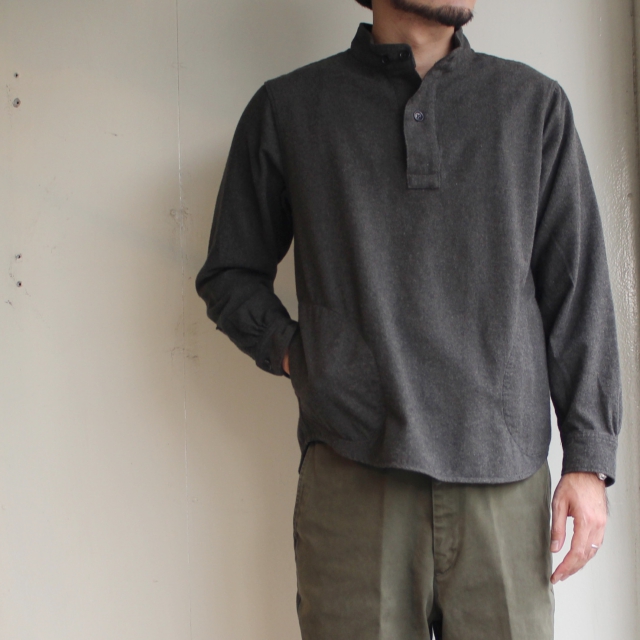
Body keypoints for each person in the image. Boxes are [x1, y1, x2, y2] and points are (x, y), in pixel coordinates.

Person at [195, 0, 623, 638]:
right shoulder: (291, 108)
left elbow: (577, 291)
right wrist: (302, 357)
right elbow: (231, 273)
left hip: (504, 481)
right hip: (353, 475)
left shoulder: (533, 105)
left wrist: (588, 459)